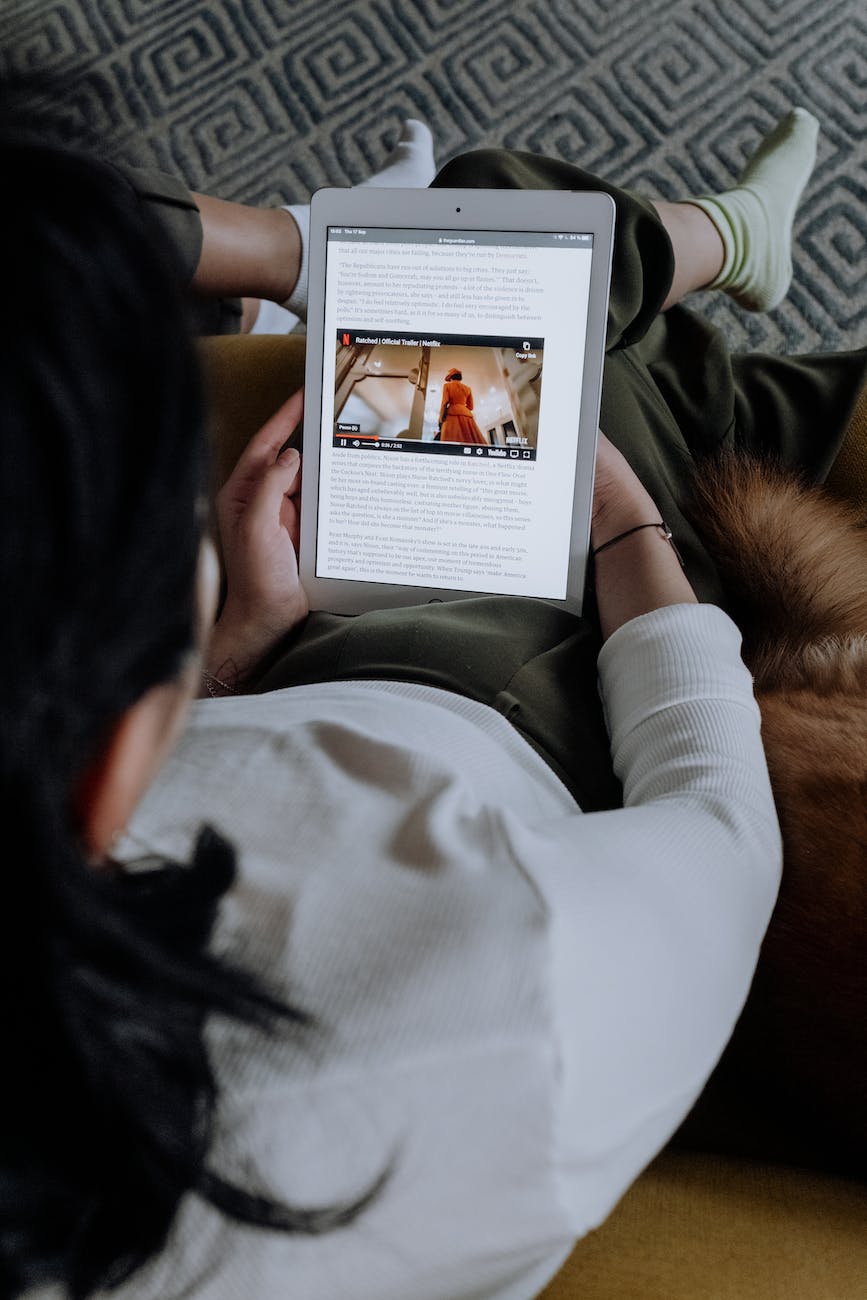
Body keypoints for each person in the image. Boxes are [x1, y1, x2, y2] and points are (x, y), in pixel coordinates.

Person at [2, 101, 859, 1300]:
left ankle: (720, 320)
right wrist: (627, 530)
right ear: (111, 757)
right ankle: (720, 277)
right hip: (526, 705)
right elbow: (725, 827)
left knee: (489, 286)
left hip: (300, 656)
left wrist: (238, 642)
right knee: (500, 225)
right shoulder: (514, 1002)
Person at [436, 367, 489, 444]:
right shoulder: (468, 388)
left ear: (451, 378)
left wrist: (441, 418)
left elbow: (445, 402)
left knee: (450, 442)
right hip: (466, 415)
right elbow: (471, 407)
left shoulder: (447, 386)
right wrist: (462, 408)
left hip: (451, 414)